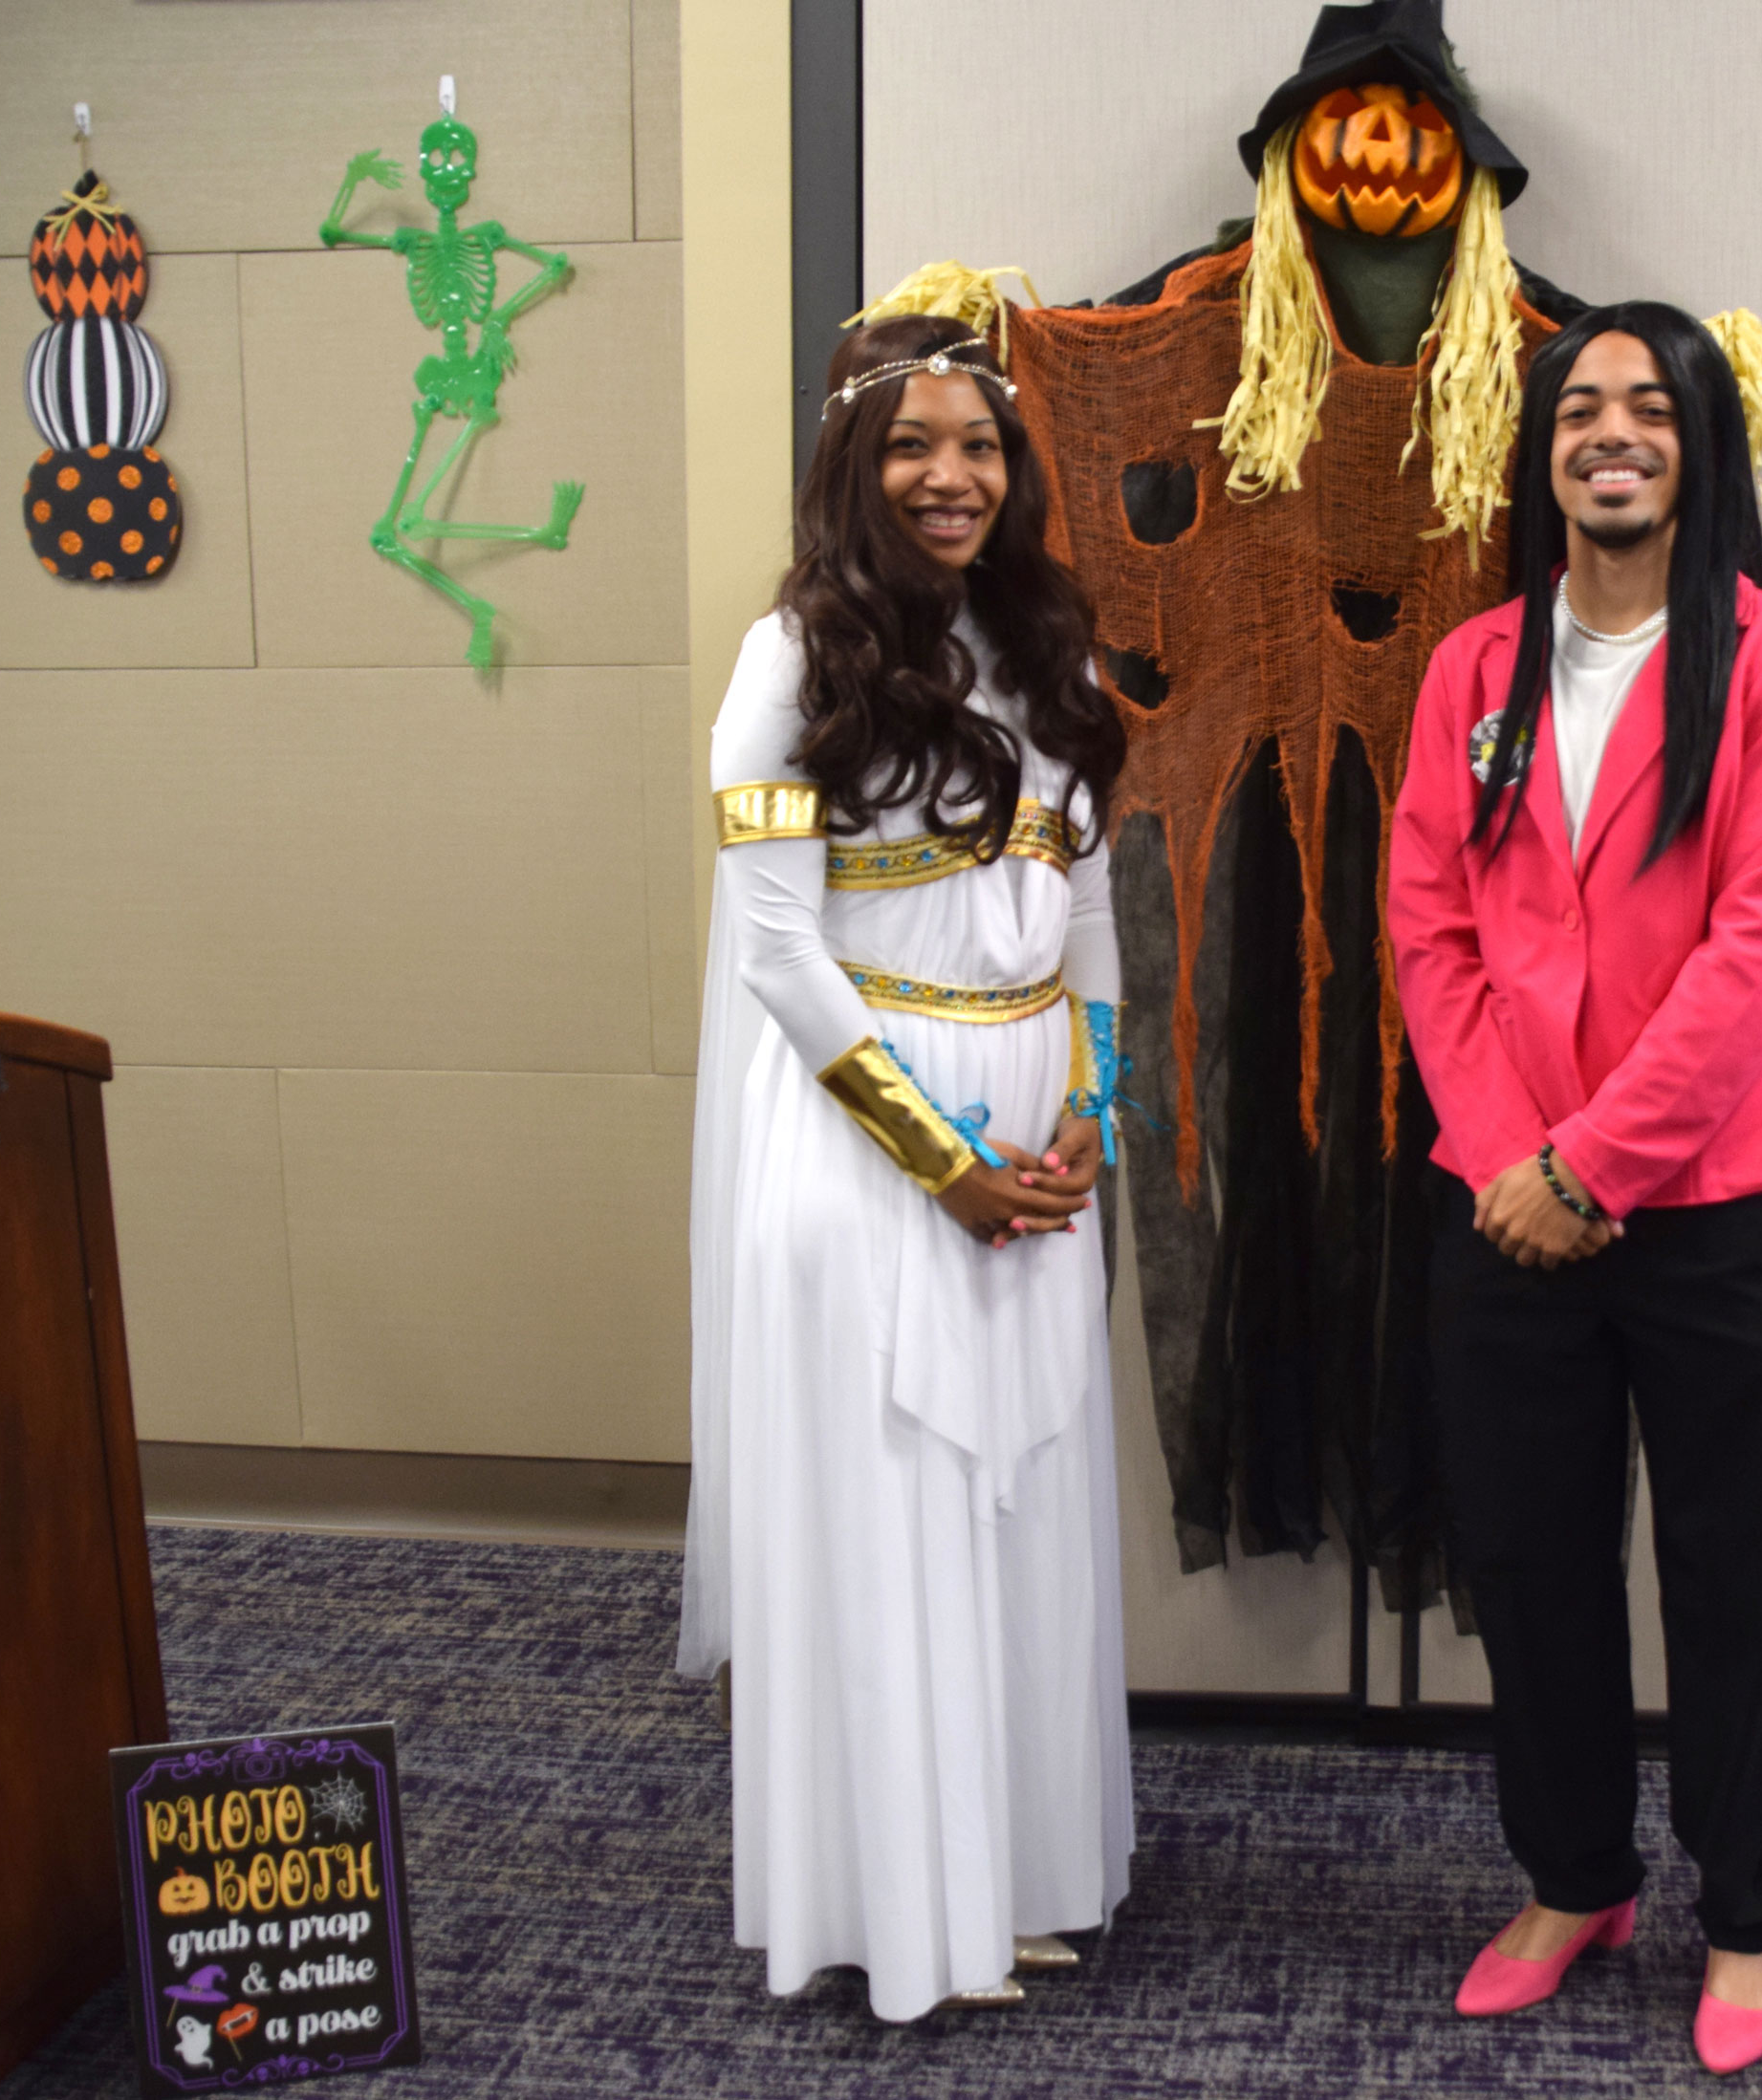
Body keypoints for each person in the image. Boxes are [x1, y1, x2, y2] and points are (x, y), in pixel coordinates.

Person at [1385, 302, 1762, 2077]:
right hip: (1505, 1203)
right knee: (1534, 1567)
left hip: (1713, 1202)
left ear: (1698, 444)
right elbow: (1431, 927)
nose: (1612, 433)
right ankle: (1575, 1877)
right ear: (1545, 451)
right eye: (1581, 406)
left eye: (1650, 406)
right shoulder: (1473, 669)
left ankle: (1747, 1906)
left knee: (1730, 1573)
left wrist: (1594, 1161)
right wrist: (1515, 1154)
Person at [678, 314, 1135, 2021]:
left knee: (1017, 1507)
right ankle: (895, 1908)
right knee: (890, 1512)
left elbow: (1090, 912)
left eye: (981, 445)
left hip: (1036, 1150)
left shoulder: (1048, 648)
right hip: (870, 1148)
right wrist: (946, 1165)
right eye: (911, 446)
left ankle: (1008, 1879)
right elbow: (777, 953)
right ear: (851, 469)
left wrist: (1096, 1102)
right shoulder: (791, 658)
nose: (952, 477)